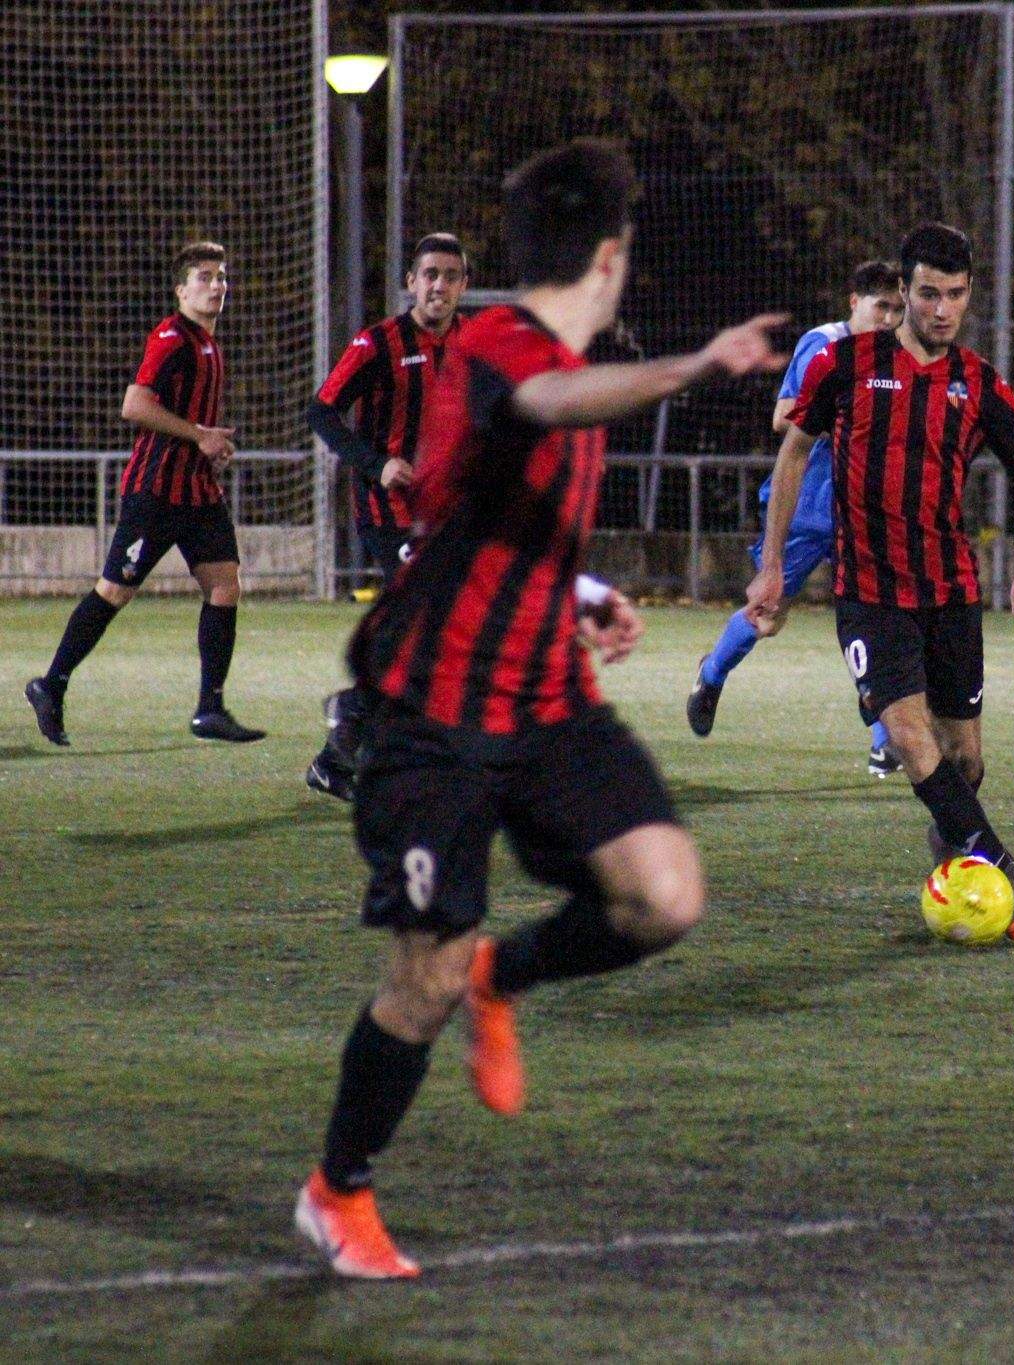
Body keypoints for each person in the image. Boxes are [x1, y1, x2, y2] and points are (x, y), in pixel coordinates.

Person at [294, 138, 785, 1279]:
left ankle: (500, 978)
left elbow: (475, 508)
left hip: (546, 696)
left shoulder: (528, 361)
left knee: (663, 897)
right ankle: (338, 1188)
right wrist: (695, 365)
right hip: (434, 709)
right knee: (415, 978)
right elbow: (544, 402)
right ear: (610, 256)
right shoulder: (496, 346)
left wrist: (581, 588)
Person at [750, 222, 1014, 937]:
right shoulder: (846, 363)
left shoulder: (979, 384)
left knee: (966, 759)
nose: (942, 309)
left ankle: (955, 840)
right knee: (908, 737)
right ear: (903, 291)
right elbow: (794, 456)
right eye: (928, 293)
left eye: (955, 294)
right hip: (869, 592)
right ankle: (1007, 873)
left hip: (950, 591)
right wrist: (772, 566)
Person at [24, 242, 263, 745]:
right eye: (204, 277)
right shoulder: (172, 336)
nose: (217, 285)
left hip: (198, 491)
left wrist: (208, 443)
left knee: (225, 586)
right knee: (114, 592)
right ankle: (51, 683)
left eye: (221, 277)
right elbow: (134, 405)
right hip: (156, 492)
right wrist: (200, 435)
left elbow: (186, 419)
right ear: (180, 290)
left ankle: (209, 709)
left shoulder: (207, 342)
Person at [687, 259, 905, 775]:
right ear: (854, 303)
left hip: (862, 512)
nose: (890, 318)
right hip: (807, 509)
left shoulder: (897, 356)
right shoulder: (822, 345)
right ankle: (712, 673)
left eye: (897, 309)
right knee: (768, 617)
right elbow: (783, 416)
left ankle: (884, 736)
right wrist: (842, 413)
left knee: (880, 617)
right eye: (882, 307)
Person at [303, 233, 472, 800]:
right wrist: (375, 464)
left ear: (463, 286)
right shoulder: (379, 342)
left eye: (450, 275)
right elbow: (322, 411)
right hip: (390, 512)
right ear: (410, 282)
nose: (439, 285)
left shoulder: (475, 342)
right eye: (429, 274)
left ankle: (345, 748)